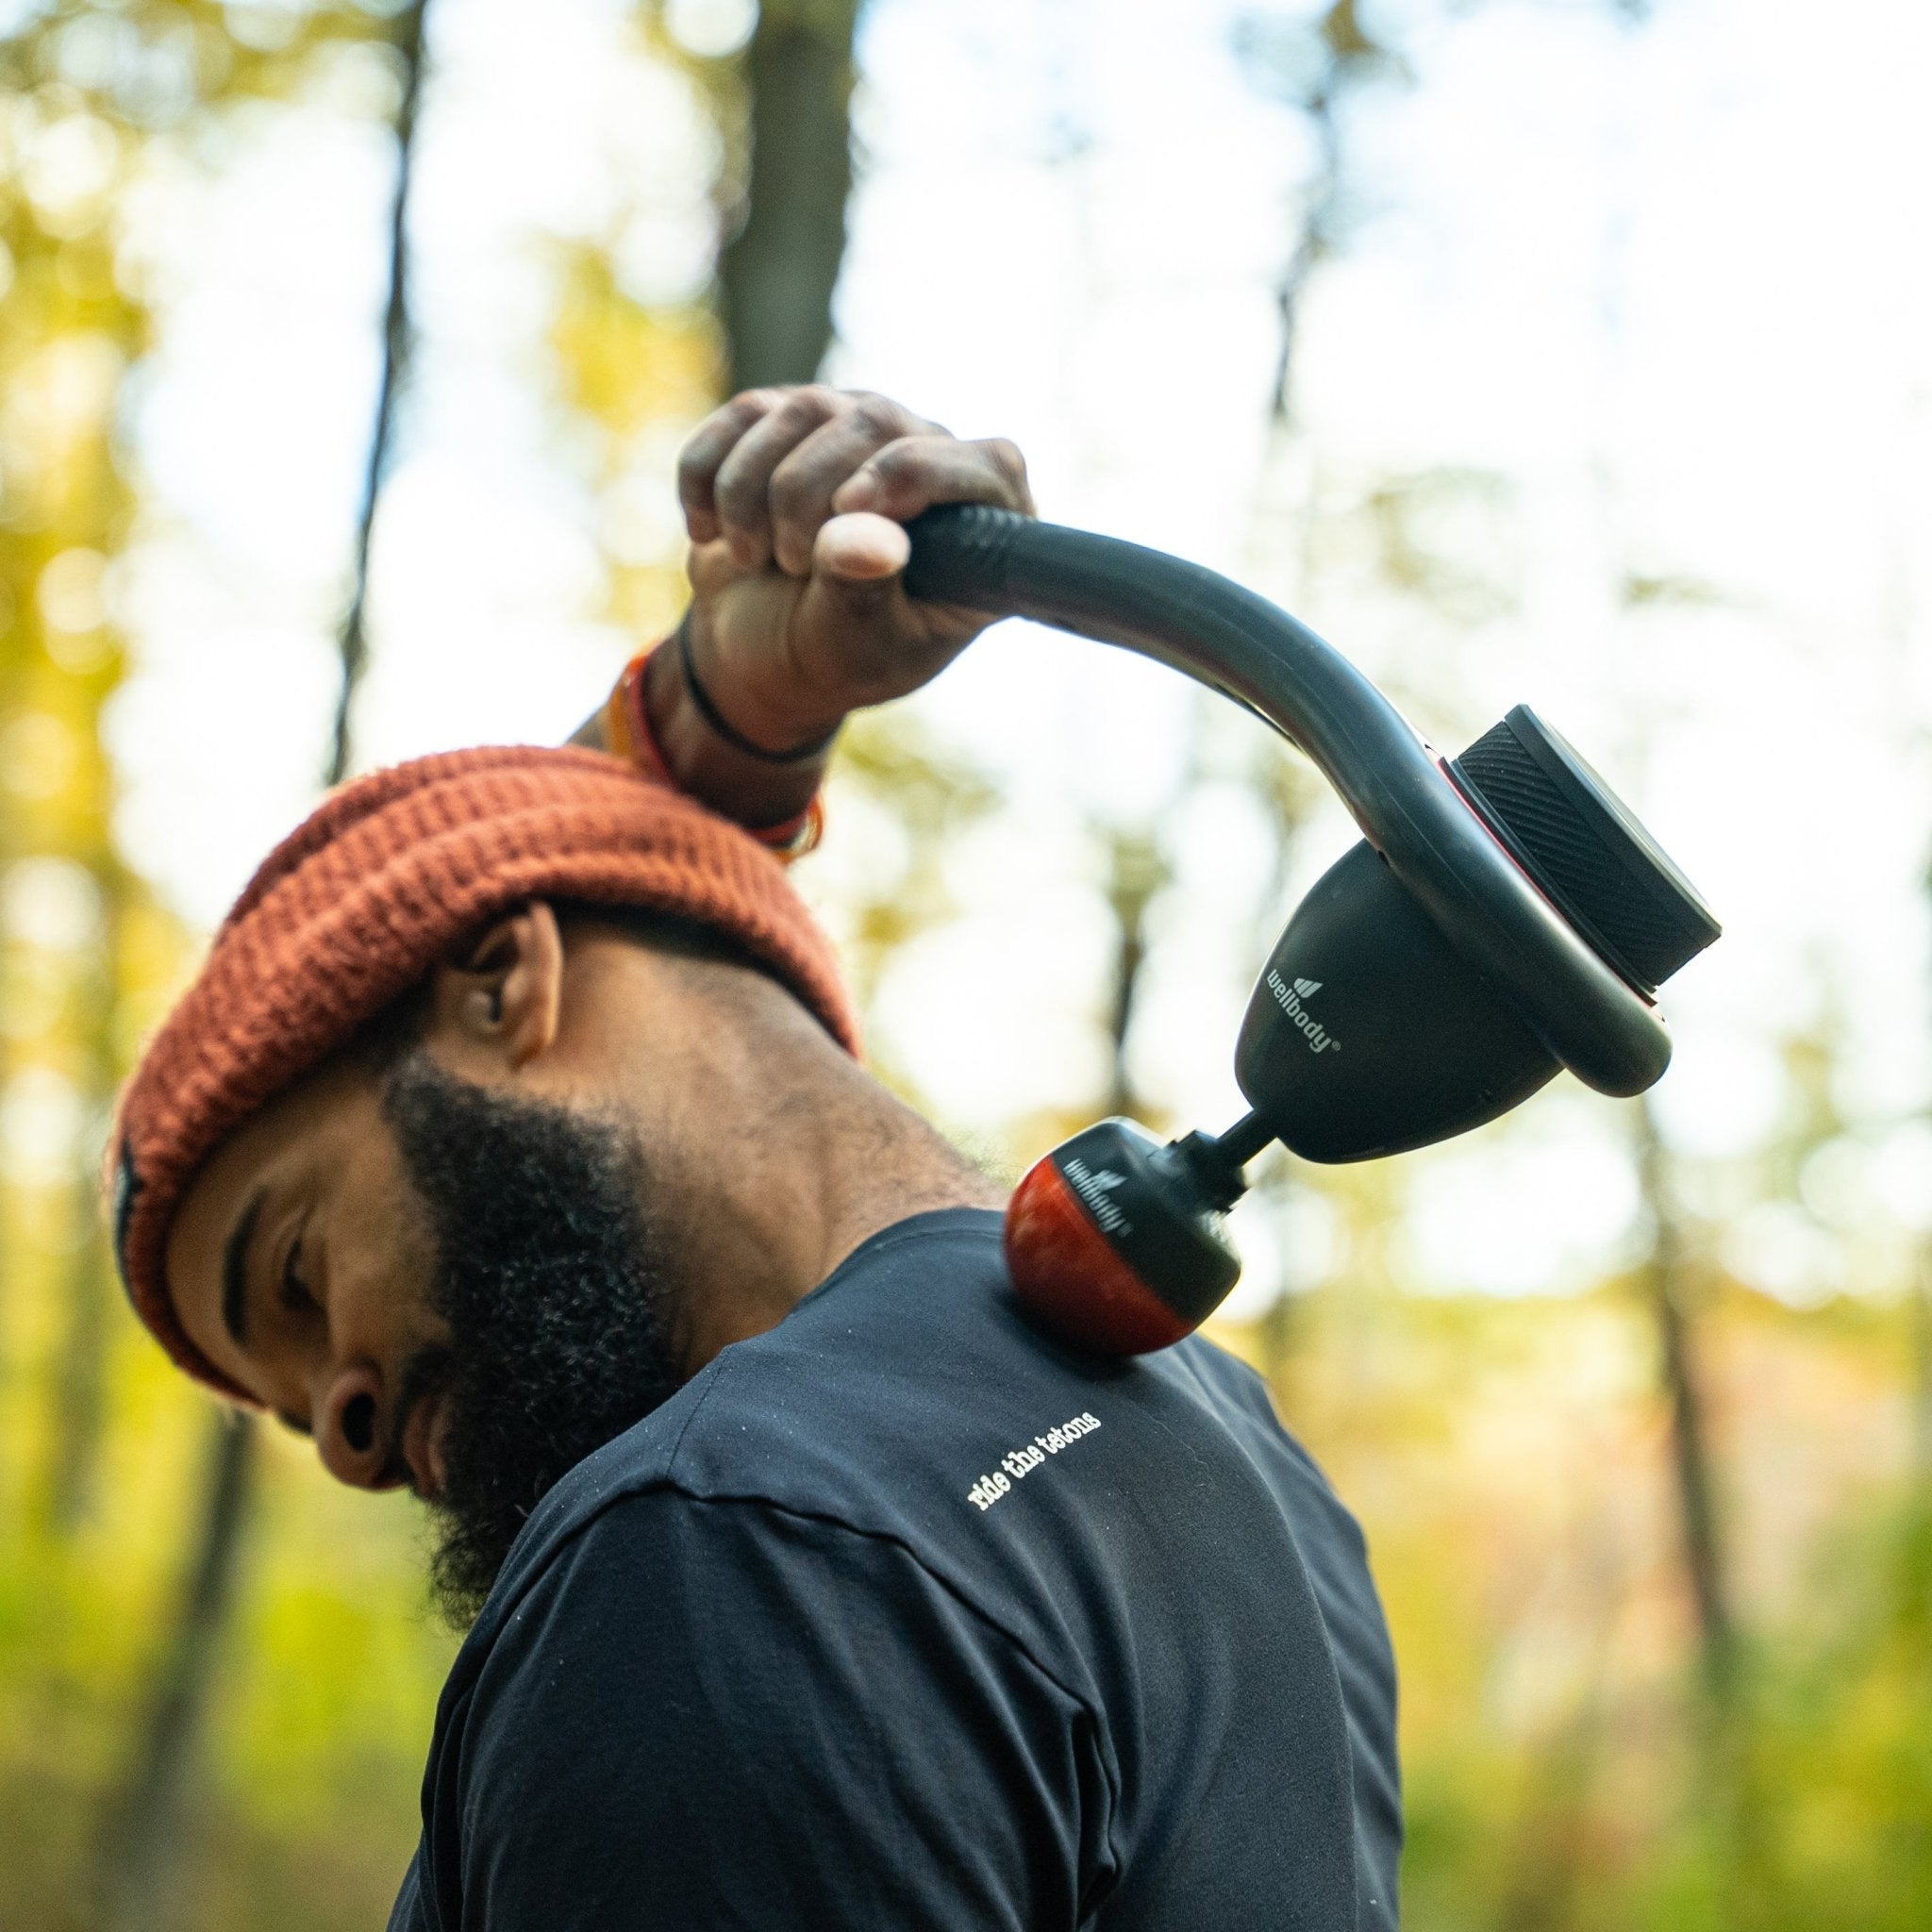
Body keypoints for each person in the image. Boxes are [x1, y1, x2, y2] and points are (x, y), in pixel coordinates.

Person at [109, 386, 1402, 1929]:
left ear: (503, 984)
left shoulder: (725, 1551)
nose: (347, 1437)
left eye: (298, 1274)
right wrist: (724, 713)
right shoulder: (1244, 1468)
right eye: (303, 1409)